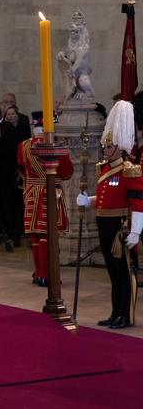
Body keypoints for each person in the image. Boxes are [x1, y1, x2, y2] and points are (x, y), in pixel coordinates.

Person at [77, 100, 142, 329]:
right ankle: (115, 312)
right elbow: (105, 198)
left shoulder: (129, 169)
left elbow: (138, 204)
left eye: (108, 146)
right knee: (112, 273)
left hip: (120, 227)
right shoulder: (104, 168)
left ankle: (125, 314)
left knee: (123, 272)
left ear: (120, 147)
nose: (105, 149)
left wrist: (136, 230)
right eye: (105, 146)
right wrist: (89, 201)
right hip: (104, 223)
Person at [18, 130, 74, 287]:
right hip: (48, 192)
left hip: (30, 191)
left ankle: (38, 273)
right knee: (47, 235)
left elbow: (21, 168)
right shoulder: (55, 145)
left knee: (35, 235)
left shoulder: (23, 145)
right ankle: (46, 275)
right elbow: (66, 173)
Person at [0, 105, 25, 247]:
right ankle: (11, 233)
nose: (10, 116)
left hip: (9, 172)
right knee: (8, 204)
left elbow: (8, 150)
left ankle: (14, 234)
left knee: (12, 204)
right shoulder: (2, 128)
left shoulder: (11, 129)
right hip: (3, 172)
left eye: (12, 114)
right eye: (8, 114)